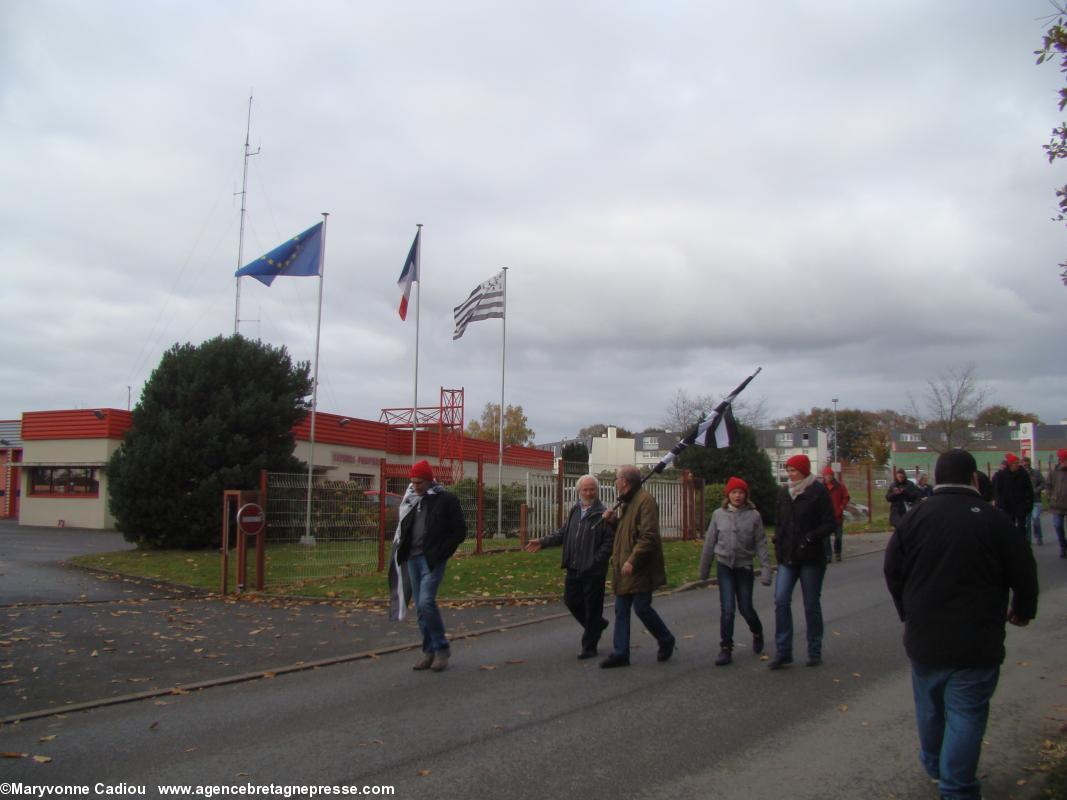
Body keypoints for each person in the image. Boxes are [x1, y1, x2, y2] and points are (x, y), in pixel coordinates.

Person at [884, 448, 1038, 800]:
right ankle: (957, 786)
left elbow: (893, 569)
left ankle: (937, 766)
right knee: (966, 711)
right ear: (974, 479)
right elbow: (1024, 570)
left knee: (930, 705)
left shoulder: (915, 518)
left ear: (937, 478)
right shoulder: (993, 519)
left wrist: (907, 609)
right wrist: (1023, 608)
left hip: (925, 635)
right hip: (977, 636)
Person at [524, 474, 612, 659]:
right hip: (574, 566)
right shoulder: (575, 511)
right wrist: (542, 541)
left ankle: (589, 646)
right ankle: (596, 625)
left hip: (593, 570)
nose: (588, 493)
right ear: (579, 491)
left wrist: (596, 560)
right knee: (571, 601)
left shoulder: (604, 513)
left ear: (597, 490)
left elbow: (609, 542)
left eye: (592, 489)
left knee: (592, 607)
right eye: (585, 489)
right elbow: (563, 533)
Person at [598, 465, 676, 669]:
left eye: (617, 479)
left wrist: (633, 560)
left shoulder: (645, 501)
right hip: (624, 564)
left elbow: (648, 537)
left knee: (641, 608)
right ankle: (620, 652)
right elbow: (626, 532)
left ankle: (666, 638)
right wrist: (613, 521)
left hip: (640, 567)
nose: (615, 482)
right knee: (621, 609)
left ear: (625, 481)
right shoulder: (627, 502)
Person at [394, 460, 467, 672]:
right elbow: (403, 528)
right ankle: (429, 650)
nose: (415, 486)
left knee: (426, 602)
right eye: (413, 482)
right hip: (412, 559)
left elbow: (459, 530)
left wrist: (443, 552)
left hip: (432, 559)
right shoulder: (411, 501)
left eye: (420, 482)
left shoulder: (445, 500)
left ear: (429, 480)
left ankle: (442, 648)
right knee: (419, 608)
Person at [769, 454, 835, 669]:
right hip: (787, 556)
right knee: (780, 601)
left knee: (810, 604)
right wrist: (778, 541)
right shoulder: (783, 493)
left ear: (804, 470)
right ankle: (783, 651)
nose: (790, 474)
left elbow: (829, 523)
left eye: (794, 470)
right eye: (788, 470)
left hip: (811, 557)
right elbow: (779, 522)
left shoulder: (817, 492)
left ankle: (814, 649)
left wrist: (810, 537)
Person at [698, 476, 771, 666]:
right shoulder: (718, 514)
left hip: (744, 566)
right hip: (724, 566)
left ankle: (756, 631)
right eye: (734, 492)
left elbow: (761, 543)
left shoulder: (754, 516)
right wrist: (703, 571)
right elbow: (709, 542)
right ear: (728, 495)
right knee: (727, 608)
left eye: (740, 493)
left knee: (745, 607)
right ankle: (725, 648)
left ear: (746, 495)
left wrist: (765, 570)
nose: (737, 496)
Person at [992, 453, 1034, 542]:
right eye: (1015, 463)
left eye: (1018, 463)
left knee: (1021, 526)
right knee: (1009, 527)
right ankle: (1011, 544)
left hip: (1021, 505)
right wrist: (1000, 503)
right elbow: (997, 490)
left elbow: (1029, 490)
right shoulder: (1001, 475)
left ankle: (1023, 544)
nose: (1017, 465)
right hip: (1007, 506)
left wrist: (1028, 504)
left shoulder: (1023, 474)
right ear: (1010, 464)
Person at [821, 466, 851, 563]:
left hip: (837, 517)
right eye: (826, 475)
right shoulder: (821, 487)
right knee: (826, 538)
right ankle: (828, 555)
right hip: (826, 517)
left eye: (829, 475)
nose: (828, 477)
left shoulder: (840, 486)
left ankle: (838, 553)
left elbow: (846, 497)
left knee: (838, 537)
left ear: (832, 476)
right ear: (824, 476)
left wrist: (842, 506)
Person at [1021, 456, 1045, 546]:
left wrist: (1036, 490)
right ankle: (1028, 540)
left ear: (1029, 463)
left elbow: (1043, 483)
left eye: (1026, 463)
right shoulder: (1020, 474)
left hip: (1036, 500)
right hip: (1025, 501)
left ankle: (1039, 537)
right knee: (1027, 522)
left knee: (1035, 518)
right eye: (1023, 464)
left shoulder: (1036, 473)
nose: (1025, 465)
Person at [1049, 448, 1067, 558]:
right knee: (1058, 525)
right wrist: (1051, 495)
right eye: (1061, 458)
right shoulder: (1055, 471)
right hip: (1057, 504)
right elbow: (1048, 484)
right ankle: (1063, 545)